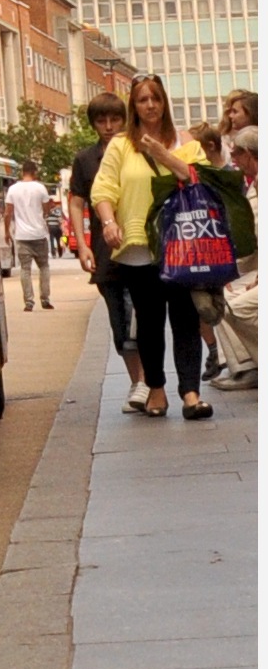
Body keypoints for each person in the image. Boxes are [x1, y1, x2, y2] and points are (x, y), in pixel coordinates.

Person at [90, 74, 212, 419]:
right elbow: (103, 190)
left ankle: (190, 392)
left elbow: (198, 178)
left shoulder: (184, 141)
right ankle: (156, 390)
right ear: (134, 105)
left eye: (155, 98)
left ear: (164, 102)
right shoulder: (120, 145)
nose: (150, 105)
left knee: (186, 318)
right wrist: (109, 221)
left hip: (183, 243)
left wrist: (162, 153)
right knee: (150, 321)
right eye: (143, 100)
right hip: (138, 245)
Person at [68, 93, 145, 411]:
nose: (109, 126)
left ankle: (146, 383)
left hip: (141, 247)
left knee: (141, 317)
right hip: (105, 251)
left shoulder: (137, 151)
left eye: (115, 119)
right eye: (102, 121)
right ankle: (137, 382)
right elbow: (76, 201)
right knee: (119, 320)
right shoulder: (86, 160)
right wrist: (83, 245)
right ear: (93, 124)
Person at [211, 124, 259, 391]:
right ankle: (244, 364)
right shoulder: (252, 186)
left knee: (234, 306)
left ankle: (252, 363)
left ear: (250, 154)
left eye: (237, 154)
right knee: (221, 296)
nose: (234, 161)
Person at [2, 161, 54, 311]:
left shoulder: (12, 189)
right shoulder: (40, 188)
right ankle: (45, 299)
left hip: (22, 235)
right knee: (44, 267)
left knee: (25, 269)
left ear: (22, 172)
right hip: (39, 234)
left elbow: (7, 213)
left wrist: (7, 231)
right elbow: (46, 210)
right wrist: (43, 213)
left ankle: (29, 302)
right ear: (35, 172)